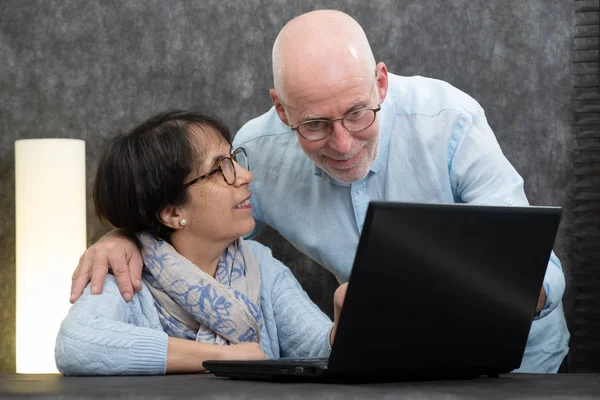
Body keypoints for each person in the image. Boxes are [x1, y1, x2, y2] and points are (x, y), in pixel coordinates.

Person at [69, 10, 569, 373]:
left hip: (515, 360)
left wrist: (466, 296)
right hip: (379, 365)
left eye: (357, 112)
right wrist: (125, 235)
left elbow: (534, 263)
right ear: (282, 112)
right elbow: (194, 219)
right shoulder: (253, 153)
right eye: (314, 124)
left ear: (381, 83)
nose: (344, 143)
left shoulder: (451, 120)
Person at [55, 110, 347, 375]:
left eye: (234, 159)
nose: (246, 176)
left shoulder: (260, 265)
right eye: (220, 169)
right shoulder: (126, 273)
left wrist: (345, 324)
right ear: (173, 212)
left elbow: (317, 350)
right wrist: (223, 357)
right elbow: (77, 344)